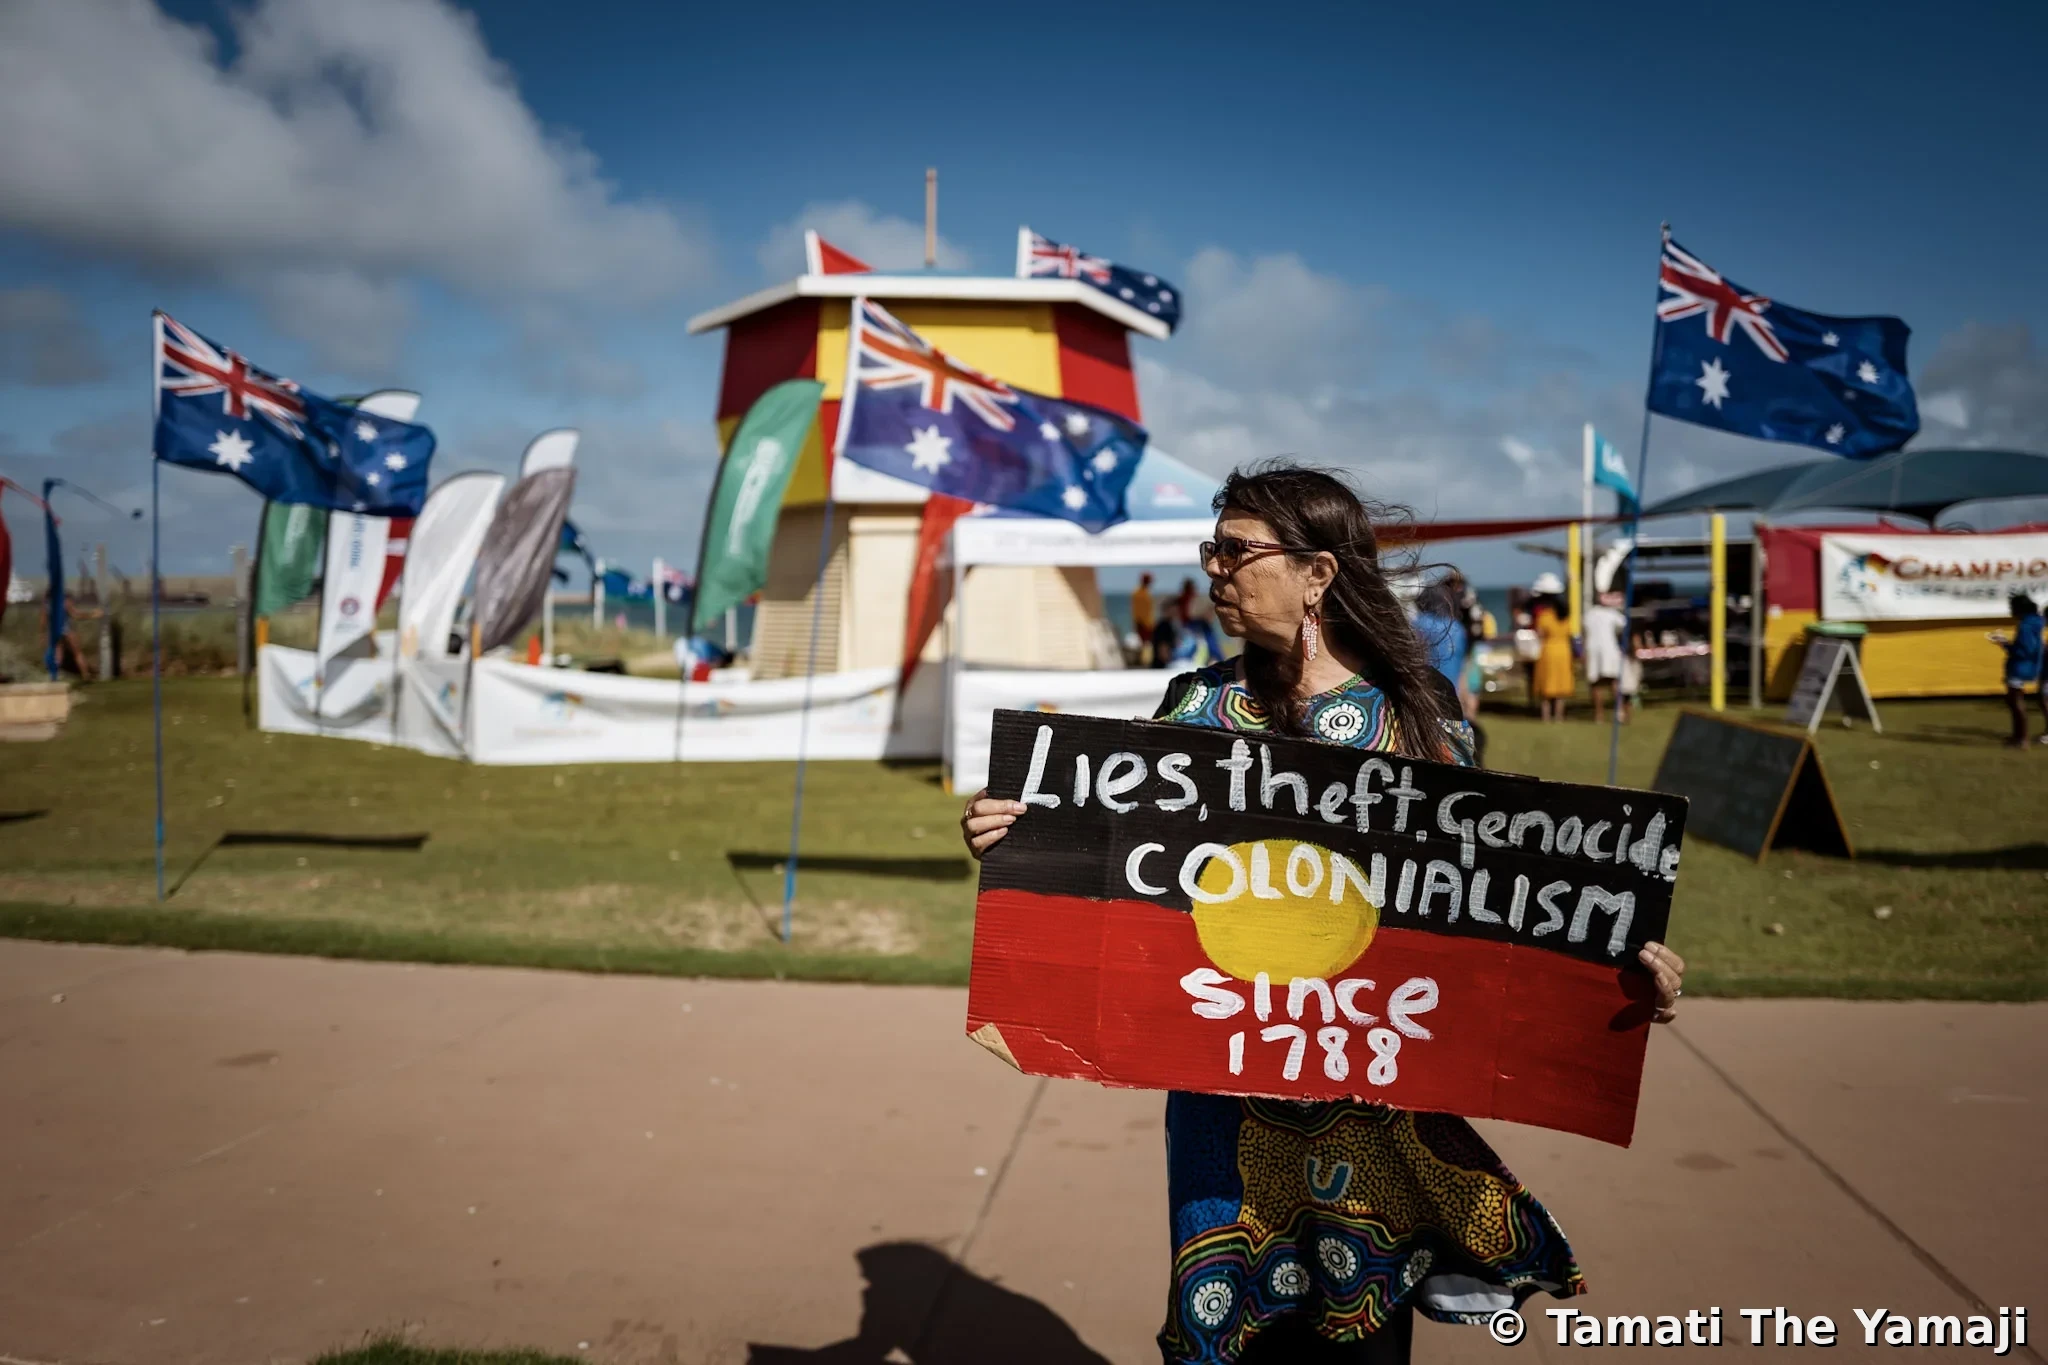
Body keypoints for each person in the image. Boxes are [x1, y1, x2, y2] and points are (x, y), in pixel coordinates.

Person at [960, 463, 1686, 1364]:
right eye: (1210, 550)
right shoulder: (1197, 708)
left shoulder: (1420, 721)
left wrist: (1613, 974)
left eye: (1236, 551)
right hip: (1225, 1111)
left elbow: (1497, 914)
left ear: (1318, 573)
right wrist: (1020, 843)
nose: (1215, 571)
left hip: (1373, 1109)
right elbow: (1123, 870)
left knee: (1363, 1344)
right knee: (1231, 1336)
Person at [1988, 592, 2046, 748]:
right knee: (2015, 702)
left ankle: (2021, 738)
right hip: (2031, 666)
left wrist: (2005, 644)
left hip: (2019, 667)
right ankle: (2019, 736)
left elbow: (2024, 649)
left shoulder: (2025, 626)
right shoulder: (2036, 622)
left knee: (2015, 702)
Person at [1529, 572, 1574, 722]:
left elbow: (1539, 633)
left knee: (1546, 688)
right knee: (1560, 687)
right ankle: (1559, 716)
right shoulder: (1566, 616)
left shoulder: (1545, 615)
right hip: (1564, 650)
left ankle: (1546, 716)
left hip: (1548, 650)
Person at [1581, 589, 1630, 724]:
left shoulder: (1588, 614)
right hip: (1609, 650)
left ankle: (1599, 715)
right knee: (1613, 681)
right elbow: (1624, 626)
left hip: (1593, 650)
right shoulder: (1612, 614)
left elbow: (1584, 634)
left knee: (1596, 684)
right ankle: (1619, 712)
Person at [1132, 572, 1158, 654]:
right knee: (1144, 645)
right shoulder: (1138, 593)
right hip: (1142, 624)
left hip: (1148, 624)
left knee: (1148, 645)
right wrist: (1138, 623)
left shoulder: (1144, 593)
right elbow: (1136, 610)